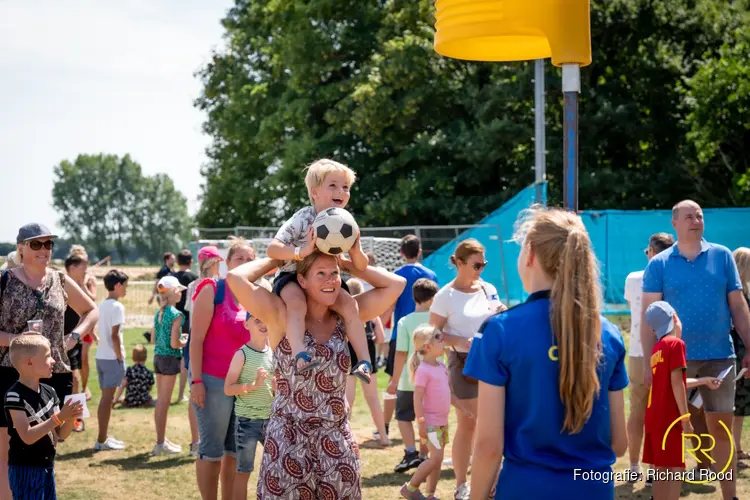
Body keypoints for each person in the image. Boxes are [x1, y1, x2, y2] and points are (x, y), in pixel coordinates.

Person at [466, 207, 629, 499]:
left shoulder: (500, 331)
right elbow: (618, 444)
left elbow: (489, 446)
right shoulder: (609, 334)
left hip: (526, 489)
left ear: (529, 254)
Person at [225, 252, 406, 498]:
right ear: (302, 280)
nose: (329, 280)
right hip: (287, 437)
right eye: (320, 273)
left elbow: (397, 284)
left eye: (334, 274)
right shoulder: (281, 315)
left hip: (336, 436)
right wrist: (281, 259)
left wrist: (347, 264)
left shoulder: (346, 314)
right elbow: (236, 277)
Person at [641, 200, 750, 500]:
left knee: (722, 430)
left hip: (720, 357)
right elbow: (648, 317)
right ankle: (662, 493)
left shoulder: (722, 256)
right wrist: (651, 363)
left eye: (699, 215)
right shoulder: (659, 264)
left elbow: (738, 307)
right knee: (671, 432)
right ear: (674, 223)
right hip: (675, 361)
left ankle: (731, 496)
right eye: (688, 216)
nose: (696, 220)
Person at [0, 223, 98, 499]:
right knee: (9, 447)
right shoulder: (4, 280)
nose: (44, 250)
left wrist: (74, 337)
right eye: (36, 244)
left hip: (54, 371)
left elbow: (91, 310)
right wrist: (19, 340)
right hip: (10, 372)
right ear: (20, 248)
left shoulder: (60, 279)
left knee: (51, 443)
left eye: (48, 244)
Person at [266, 159, 372, 381]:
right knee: (296, 304)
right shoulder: (303, 218)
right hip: (293, 275)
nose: (341, 191)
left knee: (351, 306)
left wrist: (356, 249)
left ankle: (363, 362)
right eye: (332, 185)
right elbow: (272, 249)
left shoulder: (346, 223)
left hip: (325, 279)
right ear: (314, 193)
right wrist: (300, 251)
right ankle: (300, 354)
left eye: (345, 187)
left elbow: (361, 267)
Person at [428, 238, 503, 499]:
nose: (481, 269)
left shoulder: (487, 289)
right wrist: (459, 341)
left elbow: (497, 315)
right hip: (461, 364)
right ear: (459, 263)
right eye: (477, 264)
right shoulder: (444, 295)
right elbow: (431, 335)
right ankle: (466, 484)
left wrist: (503, 315)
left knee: (475, 423)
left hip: (492, 362)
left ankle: (484, 481)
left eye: (484, 264)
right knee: (477, 422)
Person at [190, 238, 255, 500]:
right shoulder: (213, 289)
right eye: (240, 259)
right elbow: (196, 339)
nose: (246, 264)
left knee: (235, 454)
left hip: (245, 386)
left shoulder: (258, 296)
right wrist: (196, 381)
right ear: (227, 263)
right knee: (212, 451)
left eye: (251, 260)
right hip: (213, 382)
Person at [642, 301, 723, 499]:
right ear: (675, 319)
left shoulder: (657, 349)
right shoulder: (676, 344)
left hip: (654, 418)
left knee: (661, 471)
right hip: (670, 419)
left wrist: (703, 380)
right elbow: (677, 383)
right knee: (675, 470)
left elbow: (672, 381)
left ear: (654, 329)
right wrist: (685, 419)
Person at [4, 335, 84, 500]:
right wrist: (59, 417)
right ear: (29, 362)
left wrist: (69, 417)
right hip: (25, 468)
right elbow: (27, 436)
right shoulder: (15, 396)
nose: (53, 361)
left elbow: (61, 434)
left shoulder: (50, 391)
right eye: (47, 356)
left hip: (47, 465)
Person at [623, 232, 674, 481]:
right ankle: (656, 468)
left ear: (652, 252)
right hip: (666, 352)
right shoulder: (674, 277)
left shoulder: (634, 278)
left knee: (637, 410)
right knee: (661, 412)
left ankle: (634, 467)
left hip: (636, 352)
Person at [380, 235, 438, 443]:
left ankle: (384, 426)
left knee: (395, 381)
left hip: (402, 334)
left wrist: (378, 326)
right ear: (420, 251)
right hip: (429, 333)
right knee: (430, 383)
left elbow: (389, 306)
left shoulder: (396, 276)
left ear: (401, 253)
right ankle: (430, 443)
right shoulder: (431, 275)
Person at [224, 301, 274, 500]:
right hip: (247, 421)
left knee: (275, 469)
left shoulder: (271, 353)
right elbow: (228, 389)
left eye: (266, 320)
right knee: (244, 472)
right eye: (257, 320)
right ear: (247, 325)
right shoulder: (241, 354)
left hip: (270, 420)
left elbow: (272, 387)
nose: (263, 325)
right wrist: (252, 385)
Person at [388, 278, 439, 473]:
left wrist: (394, 379)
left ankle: (410, 452)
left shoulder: (404, 321)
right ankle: (424, 455)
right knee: (426, 418)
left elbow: (401, 352)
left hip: (409, 380)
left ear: (414, 298)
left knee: (403, 416)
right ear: (433, 298)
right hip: (433, 381)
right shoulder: (437, 321)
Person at [400, 325, 450, 500]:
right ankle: (410, 488)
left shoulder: (442, 366)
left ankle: (431, 494)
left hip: (443, 422)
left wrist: (465, 409)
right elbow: (417, 398)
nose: (442, 338)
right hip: (431, 423)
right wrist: (421, 422)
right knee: (435, 459)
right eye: (438, 337)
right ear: (427, 347)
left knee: (438, 460)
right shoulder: (423, 370)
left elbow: (449, 391)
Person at [184, 245, 224, 457]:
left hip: (194, 342)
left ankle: (195, 441)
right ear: (216, 262)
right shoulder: (215, 285)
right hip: (205, 343)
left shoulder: (193, 285)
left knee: (195, 396)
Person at [344, 278, 390, 448]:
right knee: (373, 399)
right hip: (367, 358)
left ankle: (344, 438)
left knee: (348, 400)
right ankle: (384, 437)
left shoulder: (345, 312)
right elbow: (381, 338)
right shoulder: (371, 313)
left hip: (350, 357)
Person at [150, 275, 188, 455]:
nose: (181, 293)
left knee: (161, 401)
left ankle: (161, 440)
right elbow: (175, 344)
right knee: (164, 402)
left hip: (158, 357)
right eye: (179, 290)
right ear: (174, 293)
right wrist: (184, 341)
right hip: (170, 358)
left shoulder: (159, 312)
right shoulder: (176, 314)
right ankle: (160, 444)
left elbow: (153, 339)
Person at [94, 269, 129, 451]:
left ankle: (103, 436)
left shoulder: (102, 304)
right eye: (125, 286)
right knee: (107, 400)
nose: (126, 290)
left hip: (101, 356)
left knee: (105, 399)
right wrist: (120, 356)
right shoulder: (117, 307)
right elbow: (115, 336)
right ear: (117, 285)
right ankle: (101, 440)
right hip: (111, 358)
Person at [64, 246, 98, 402]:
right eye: (83, 265)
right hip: (63, 337)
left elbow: (92, 307)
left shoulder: (86, 281)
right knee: (69, 380)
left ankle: (77, 417)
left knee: (75, 378)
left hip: (76, 335)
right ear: (72, 267)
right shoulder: (60, 283)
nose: (86, 269)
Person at [731, 247, 750, 469]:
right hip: (738, 356)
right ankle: (733, 452)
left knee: (741, 407)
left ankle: (737, 448)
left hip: (742, 354)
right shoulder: (738, 296)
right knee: (735, 406)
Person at [173, 249, 198, 403]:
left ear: (177, 261)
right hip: (188, 320)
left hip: (172, 318)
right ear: (190, 262)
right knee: (184, 358)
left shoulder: (172, 277)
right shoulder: (194, 279)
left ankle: (169, 389)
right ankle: (181, 393)